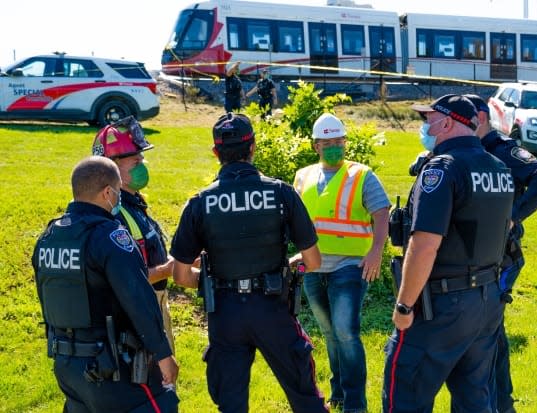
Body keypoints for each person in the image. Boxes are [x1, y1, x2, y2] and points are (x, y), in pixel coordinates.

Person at [170, 113, 328, 413]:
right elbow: (314, 260)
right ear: (253, 147)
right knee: (306, 398)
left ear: (216, 153)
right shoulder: (281, 193)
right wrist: (293, 264)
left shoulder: (200, 202)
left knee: (231, 404)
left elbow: (179, 274)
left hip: (225, 313)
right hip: (273, 309)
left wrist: (209, 281)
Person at [382, 94, 515, 412]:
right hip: (485, 300)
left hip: (441, 305)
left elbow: (425, 244)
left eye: (428, 120)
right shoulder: (499, 168)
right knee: (474, 398)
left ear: (447, 122)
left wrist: (404, 305)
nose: (425, 127)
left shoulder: (442, 168)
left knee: (406, 393)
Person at [32, 156, 179, 412]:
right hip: (113, 365)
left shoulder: (49, 237)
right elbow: (138, 300)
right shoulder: (110, 236)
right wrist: (163, 354)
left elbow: (47, 299)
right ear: (109, 192)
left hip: (68, 366)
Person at [464, 94, 537, 413]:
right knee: (491, 332)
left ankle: (498, 404)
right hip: (478, 256)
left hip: (503, 255)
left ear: (479, 117)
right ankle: (501, 404)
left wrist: (513, 215)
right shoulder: (471, 151)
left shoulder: (502, 149)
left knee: (487, 333)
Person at [293, 113, 390, 413]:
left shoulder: (361, 175)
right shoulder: (303, 176)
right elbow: (298, 221)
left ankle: (355, 404)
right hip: (313, 267)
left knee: (346, 330)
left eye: (339, 142)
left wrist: (376, 251)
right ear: (316, 146)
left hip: (350, 266)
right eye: (328, 143)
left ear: (345, 143)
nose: (335, 147)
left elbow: (382, 212)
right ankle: (337, 394)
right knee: (329, 332)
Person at [92, 116, 176, 354]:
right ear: (111, 166)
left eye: (142, 159)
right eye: (135, 161)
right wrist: (169, 269)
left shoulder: (132, 203)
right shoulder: (111, 215)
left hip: (152, 305)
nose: (142, 165)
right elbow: (124, 279)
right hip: (135, 315)